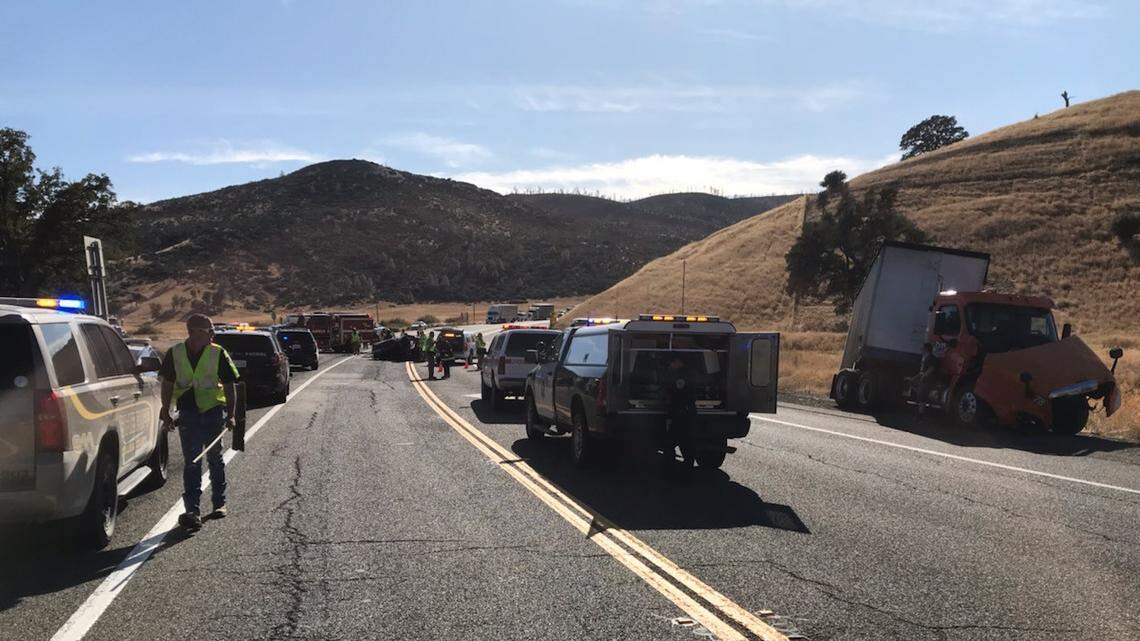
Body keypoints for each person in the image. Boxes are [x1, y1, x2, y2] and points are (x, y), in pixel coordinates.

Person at [159, 314, 240, 531]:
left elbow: (230, 385)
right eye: (209, 331)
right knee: (192, 462)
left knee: (215, 458)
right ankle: (192, 509)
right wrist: (165, 410)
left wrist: (231, 414)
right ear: (193, 332)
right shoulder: (175, 353)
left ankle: (219, 503)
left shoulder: (217, 352)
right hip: (188, 414)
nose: (213, 334)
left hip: (213, 412)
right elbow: (167, 384)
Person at [664, 354, 697, 474]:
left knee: (671, 444)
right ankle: (686, 472)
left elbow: (676, 396)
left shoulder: (681, 375)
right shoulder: (690, 372)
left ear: (678, 361)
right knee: (687, 444)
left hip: (681, 414)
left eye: (672, 363)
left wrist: (670, 416)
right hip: (688, 413)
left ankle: (672, 471)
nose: (671, 365)